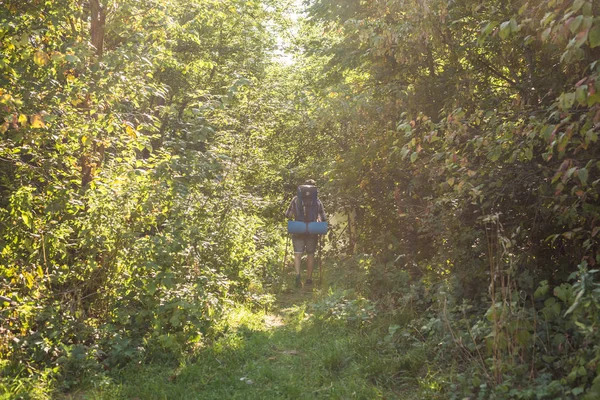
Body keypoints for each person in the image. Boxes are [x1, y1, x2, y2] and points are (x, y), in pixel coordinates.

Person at [285, 179, 327, 287]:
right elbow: (323, 218)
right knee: (310, 254)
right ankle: (309, 279)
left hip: (298, 229)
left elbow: (287, 215)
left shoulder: (295, 200)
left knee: (297, 254)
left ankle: (298, 277)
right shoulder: (317, 201)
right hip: (312, 231)